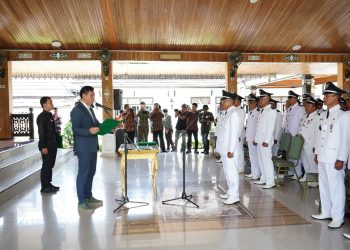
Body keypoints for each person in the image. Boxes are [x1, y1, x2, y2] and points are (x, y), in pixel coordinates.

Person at [312, 82, 349, 229]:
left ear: (337, 97)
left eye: (328, 95)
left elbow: (346, 140)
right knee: (324, 186)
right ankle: (326, 212)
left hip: (335, 158)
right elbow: (320, 136)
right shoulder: (323, 115)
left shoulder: (344, 116)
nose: (324, 97)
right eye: (325, 95)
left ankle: (338, 217)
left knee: (336, 187)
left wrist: (341, 158)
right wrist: (316, 153)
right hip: (323, 156)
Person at [70, 86, 102, 212]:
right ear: (83, 95)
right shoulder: (77, 110)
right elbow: (76, 129)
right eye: (91, 95)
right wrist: (89, 130)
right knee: (83, 173)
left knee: (91, 172)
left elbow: (96, 124)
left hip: (92, 146)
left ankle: (88, 196)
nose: (93, 97)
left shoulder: (90, 109)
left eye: (94, 95)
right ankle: (82, 200)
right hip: (83, 147)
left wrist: (110, 127)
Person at [216, 90, 240, 205]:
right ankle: (230, 192)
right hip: (224, 148)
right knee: (227, 171)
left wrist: (231, 150)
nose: (221, 104)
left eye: (223, 101)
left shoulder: (234, 113)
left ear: (229, 102)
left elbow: (234, 134)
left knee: (231, 171)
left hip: (229, 149)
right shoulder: (226, 113)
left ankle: (235, 195)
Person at [253, 89, 277, 189]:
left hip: (265, 142)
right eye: (259, 99)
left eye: (261, 99)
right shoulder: (262, 111)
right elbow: (259, 127)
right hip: (260, 140)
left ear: (267, 100)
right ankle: (263, 178)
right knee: (261, 160)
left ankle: (270, 181)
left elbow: (270, 128)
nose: (259, 101)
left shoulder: (271, 111)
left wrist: (266, 141)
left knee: (267, 161)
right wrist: (256, 139)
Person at [36, 97, 59, 193]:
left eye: (52, 102)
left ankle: (48, 183)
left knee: (50, 164)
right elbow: (41, 133)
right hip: (47, 145)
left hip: (52, 144)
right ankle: (44, 186)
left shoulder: (49, 115)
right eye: (50, 102)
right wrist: (43, 146)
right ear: (44, 105)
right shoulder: (42, 117)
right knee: (46, 165)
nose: (52, 104)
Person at [297, 96, 319, 186]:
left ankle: (314, 180)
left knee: (312, 162)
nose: (306, 107)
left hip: (311, 144)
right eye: (306, 106)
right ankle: (307, 175)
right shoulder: (305, 116)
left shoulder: (317, 117)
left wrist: (316, 146)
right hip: (302, 143)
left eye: (308, 106)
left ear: (314, 107)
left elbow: (318, 133)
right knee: (305, 161)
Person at [284, 90, 305, 179]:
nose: (289, 100)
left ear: (295, 99)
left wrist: (299, 134)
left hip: (296, 135)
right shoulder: (289, 109)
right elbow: (287, 122)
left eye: (290, 98)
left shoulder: (300, 109)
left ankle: (298, 172)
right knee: (289, 154)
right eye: (288, 98)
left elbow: (302, 122)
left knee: (297, 155)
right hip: (289, 135)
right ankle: (291, 171)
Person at [244, 93, 261, 180]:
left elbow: (258, 127)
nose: (249, 104)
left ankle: (257, 173)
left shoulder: (258, 113)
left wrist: (256, 138)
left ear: (256, 103)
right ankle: (253, 172)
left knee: (255, 156)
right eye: (249, 102)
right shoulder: (250, 112)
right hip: (249, 137)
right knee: (252, 156)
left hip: (254, 138)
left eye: (251, 102)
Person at [233, 94, 246, 173]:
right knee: (236, 151)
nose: (234, 102)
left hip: (239, 134)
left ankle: (240, 167)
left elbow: (240, 123)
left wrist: (237, 135)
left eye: (235, 100)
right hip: (236, 134)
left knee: (239, 151)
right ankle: (236, 165)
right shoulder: (235, 110)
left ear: (238, 101)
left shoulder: (241, 110)